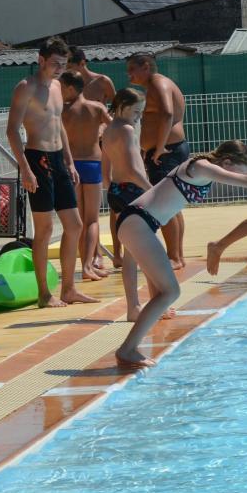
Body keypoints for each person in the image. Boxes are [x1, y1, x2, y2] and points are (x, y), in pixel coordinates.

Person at [114, 140, 247, 369]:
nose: (236, 177)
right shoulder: (201, 167)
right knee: (171, 291)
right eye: (236, 172)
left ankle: (144, 325)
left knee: (164, 291)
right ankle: (127, 350)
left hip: (139, 221)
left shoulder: (206, 166)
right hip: (138, 222)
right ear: (226, 162)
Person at [6, 36, 97, 308]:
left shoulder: (58, 87)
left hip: (58, 159)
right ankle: (44, 294)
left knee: (75, 224)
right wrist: (25, 168)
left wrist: (69, 161)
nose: (59, 69)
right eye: (55, 63)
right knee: (44, 229)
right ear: (41, 60)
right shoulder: (26, 87)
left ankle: (69, 289)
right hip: (38, 159)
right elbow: (12, 130)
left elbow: (59, 126)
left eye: (63, 64)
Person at [126, 52, 189, 270]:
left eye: (132, 69)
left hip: (167, 151)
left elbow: (167, 113)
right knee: (172, 205)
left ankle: (174, 257)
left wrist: (159, 146)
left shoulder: (157, 83)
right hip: (167, 150)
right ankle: (177, 255)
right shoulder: (158, 84)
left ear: (145, 66)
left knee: (164, 203)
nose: (129, 75)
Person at [101, 87, 159, 321]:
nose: (139, 117)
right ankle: (154, 304)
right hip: (132, 191)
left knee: (131, 253)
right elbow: (135, 170)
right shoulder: (126, 130)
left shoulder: (108, 130)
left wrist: (114, 189)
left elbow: (106, 170)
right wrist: (153, 191)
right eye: (136, 112)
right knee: (148, 249)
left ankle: (134, 307)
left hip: (117, 191)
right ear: (123, 107)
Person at [60, 71, 111, 281]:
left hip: (72, 165)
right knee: (92, 220)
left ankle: (85, 265)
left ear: (71, 88)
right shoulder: (96, 108)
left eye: (62, 87)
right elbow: (114, 127)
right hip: (92, 163)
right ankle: (88, 265)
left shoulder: (63, 111)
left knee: (79, 220)